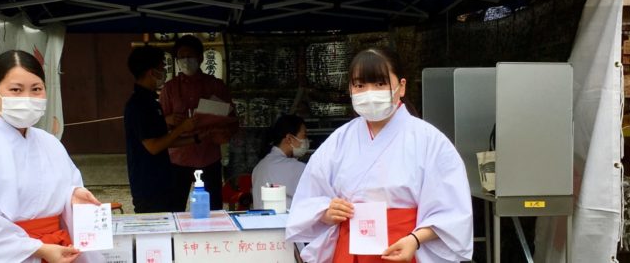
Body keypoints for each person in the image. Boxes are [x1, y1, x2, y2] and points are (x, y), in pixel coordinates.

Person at [285, 48, 473, 263]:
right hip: (350, 251)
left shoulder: (430, 140)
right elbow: (310, 199)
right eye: (360, 85)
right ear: (350, 89)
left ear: (401, 87)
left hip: (403, 248)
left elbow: (452, 211)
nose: (369, 92)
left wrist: (415, 239)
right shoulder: (339, 140)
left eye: (380, 84)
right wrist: (327, 211)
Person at [0, 50, 105, 263]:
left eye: (36, 89)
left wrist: (72, 197)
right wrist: (37, 249)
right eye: (16, 90)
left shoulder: (50, 143)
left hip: (59, 251)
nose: (27, 99)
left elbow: (59, 192)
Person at [160, 35, 239, 210]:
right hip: (178, 158)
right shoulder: (169, 88)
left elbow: (233, 119)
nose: (186, 61)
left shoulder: (216, 85)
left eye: (190, 56)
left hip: (208, 155)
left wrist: (224, 132)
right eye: (181, 57)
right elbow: (158, 125)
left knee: (213, 209)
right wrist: (169, 119)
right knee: (175, 208)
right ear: (177, 61)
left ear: (201, 58)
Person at [124, 45, 202, 213]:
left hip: (162, 179)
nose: (164, 72)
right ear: (152, 72)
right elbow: (153, 146)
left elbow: (165, 140)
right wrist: (182, 128)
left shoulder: (152, 102)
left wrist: (197, 138)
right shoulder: (139, 104)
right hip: (148, 184)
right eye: (162, 68)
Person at [251, 114, 308, 210]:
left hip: (261, 222)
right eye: (304, 136)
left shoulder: (259, 166)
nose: (306, 140)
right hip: (283, 223)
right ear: (289, 138)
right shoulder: (296, 168)